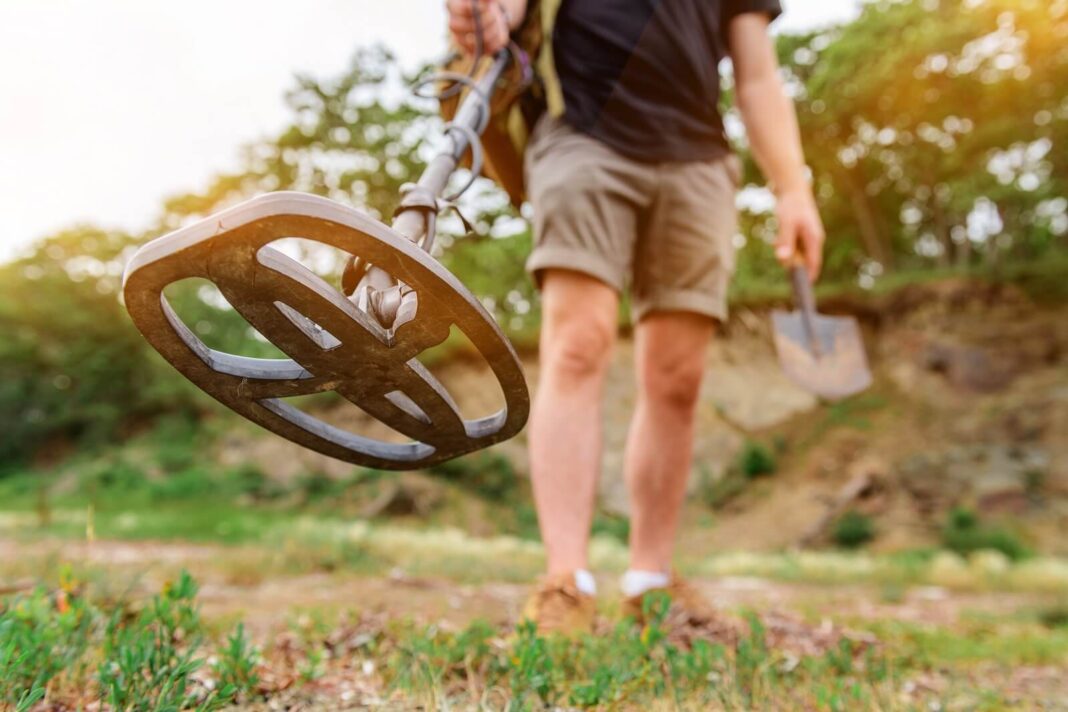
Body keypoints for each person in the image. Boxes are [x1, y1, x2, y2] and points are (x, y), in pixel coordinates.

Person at [446, 0, 826, 634]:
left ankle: (651, 581)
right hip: (582, 138)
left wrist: (793, 188)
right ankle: (566, 580)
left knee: (678, 376)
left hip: (698, 158)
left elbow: (758, 73)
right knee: (578, 344)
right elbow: (504, 10)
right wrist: (486, 19)